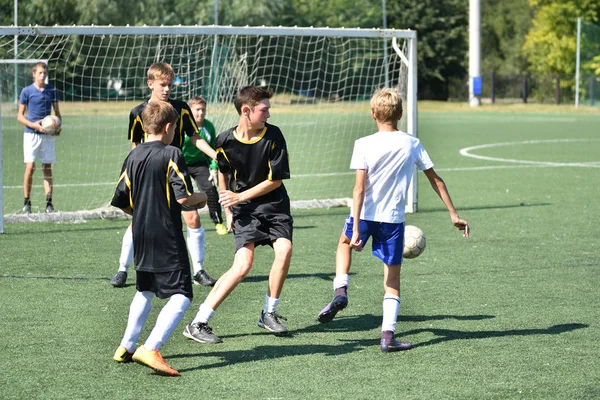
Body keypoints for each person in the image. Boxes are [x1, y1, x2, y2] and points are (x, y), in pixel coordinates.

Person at [316, 88, 470, 352]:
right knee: (392, 280)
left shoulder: (363, 143)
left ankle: (341, 290)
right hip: (393, 220)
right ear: (400, 114)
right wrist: (453, 214)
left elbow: (359, 189)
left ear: (373, 114)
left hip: (364, 215)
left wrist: (355, 226)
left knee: (343, 243)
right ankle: (387, 337)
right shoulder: (411, 143)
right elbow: (436, 180)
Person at [183, 86, 293, 344]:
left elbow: (275, 181)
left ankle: (269, 312)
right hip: (245, 210)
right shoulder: (224, 140)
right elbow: (223, 171)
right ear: (247, 111)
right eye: (264, 109)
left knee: (284, 250)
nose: (269, 113)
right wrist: (227, 207)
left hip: (274, 206)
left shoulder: (274, 135)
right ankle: (198, 321)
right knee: (242, 266)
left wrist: (239, 197)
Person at [111, 101, 207, 376]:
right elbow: (184, 197)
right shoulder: (172, 153)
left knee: (146, 289)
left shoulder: (133, 156)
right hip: (166, 233)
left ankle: (126, 346)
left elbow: (121, 199)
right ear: (168, 127)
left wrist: (140, 213)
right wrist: (204, 198)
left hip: (140, 232)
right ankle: (151, 347)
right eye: (175, 126)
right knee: (183, 295)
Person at [110, 62, 218, 288]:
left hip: (176, 168)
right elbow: (136, 144)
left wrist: (216, 155)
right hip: (149, 171)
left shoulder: (181, 108)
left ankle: (198, 269)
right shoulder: (138, 112)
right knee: (139, 219)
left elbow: (195, 138)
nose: (167, 89)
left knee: (193, 217)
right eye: (162, 84)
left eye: (170, 84)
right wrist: (136, 171)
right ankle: (122, 269)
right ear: (150, 84)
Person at [17, 61, 62, 214]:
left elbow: (57, 113)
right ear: (34, 74)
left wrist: (57, 126)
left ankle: (49, 204)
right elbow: (20, 117)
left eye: (44, 72)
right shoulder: (26, 91)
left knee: (47, 167)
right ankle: (26, 203)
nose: (43, 75)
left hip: (47, 136)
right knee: (30, 167)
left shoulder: (52, 90)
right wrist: (34, 125)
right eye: (40, 73)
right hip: (31, 134)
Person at [182, 96, 228, 236]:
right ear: (190, 111)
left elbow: (212, 148)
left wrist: (214, 167)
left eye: (203, 109)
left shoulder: (208, 127)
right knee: (182, 194)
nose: (200, 113)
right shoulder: (182, 126)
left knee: (210, 189)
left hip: (199, 164)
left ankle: (218, 222)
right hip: (181, 163)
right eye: (197, 110)